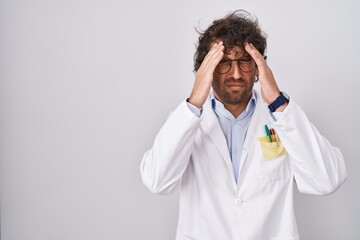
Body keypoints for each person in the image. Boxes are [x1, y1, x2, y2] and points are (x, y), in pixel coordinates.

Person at [140, 10, 347, 240]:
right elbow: (157, 182)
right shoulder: (186, 123)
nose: (236, 74)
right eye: (224, 63)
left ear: (258, 66)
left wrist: (278, 103)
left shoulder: (281, 120)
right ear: (205, 68)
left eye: (245, 61)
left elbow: (328, 180)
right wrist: (194, 102)